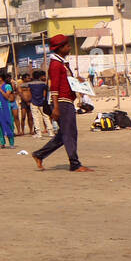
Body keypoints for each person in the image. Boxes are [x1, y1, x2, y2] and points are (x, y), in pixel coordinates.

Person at [34, 35, 92, 173]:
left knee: (64, 134)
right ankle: (74, 163)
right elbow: (54, 87)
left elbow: (66, 83)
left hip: (66, 101)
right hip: (62, 102)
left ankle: (39, 154)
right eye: (67, 46)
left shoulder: (62, 64)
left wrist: (77, 81)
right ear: (60, 48)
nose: (69, 48)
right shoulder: (55, 65)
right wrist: (56, 108)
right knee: (70, 133)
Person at [0, 71, 16, 148]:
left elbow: (6, 96)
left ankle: (11, 143)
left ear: (0, 78)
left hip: (5, 108)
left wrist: (0, 89)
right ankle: (2, 142)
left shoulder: (7, 86)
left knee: (8, 123)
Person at [27, 70, 51, 136]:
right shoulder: (43, 84)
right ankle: (50, 132)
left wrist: (29, 100)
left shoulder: (30, 84)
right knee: (46, 116)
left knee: (35, 117)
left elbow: (29, 93)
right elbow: (45, 92)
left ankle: (38, 133)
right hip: (42, 101)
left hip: (33, 101)